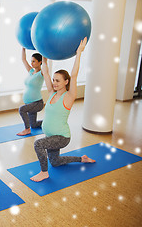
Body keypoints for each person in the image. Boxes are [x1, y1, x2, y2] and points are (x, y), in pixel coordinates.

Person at [30, 37, 95, 182]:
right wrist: (44, 56)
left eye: (58, 81)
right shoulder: (51, 93)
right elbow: (45, 73)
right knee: (56, 162)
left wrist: (79, 53)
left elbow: (74, 74)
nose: (54, 83)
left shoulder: (69, 97)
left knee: (38, 144)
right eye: (54, 80)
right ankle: (81, 158)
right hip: (51, 136)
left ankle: (44, 173)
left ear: (66, 82)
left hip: (62, 137)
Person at [17, 48, 45, 136]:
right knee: (34, 124)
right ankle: (48, 122)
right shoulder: (31, 71)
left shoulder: (42, 73)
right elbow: (23, 60)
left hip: (37, 103)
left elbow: (45, 61)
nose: (31, 63)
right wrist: (23, 48)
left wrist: (42, 47)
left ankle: (27, 129)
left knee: (22, 109)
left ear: (40, 62)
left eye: (34, 61)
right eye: (31, 61)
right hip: (29, 103)